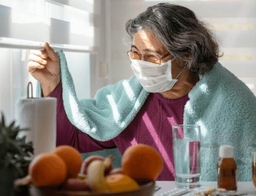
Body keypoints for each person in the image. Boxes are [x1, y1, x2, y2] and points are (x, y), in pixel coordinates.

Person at [27, 3, 256, 181]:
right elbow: (70, 142)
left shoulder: (233, 104)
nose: (139, 64)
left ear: (187, 54)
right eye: (135, 53)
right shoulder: (125, 102)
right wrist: (52, 85)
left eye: (151, 56)